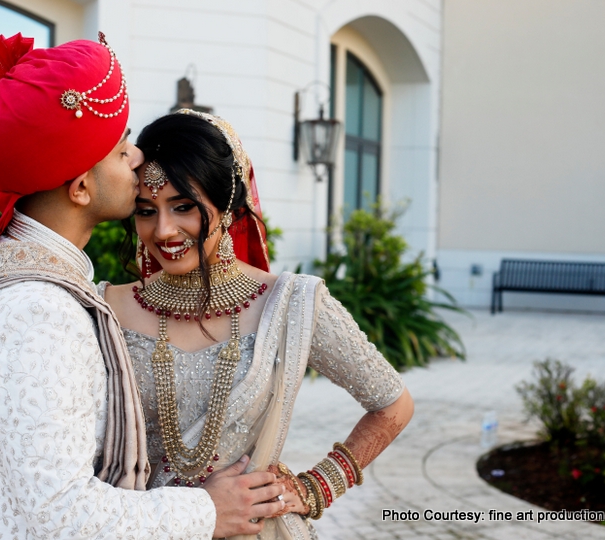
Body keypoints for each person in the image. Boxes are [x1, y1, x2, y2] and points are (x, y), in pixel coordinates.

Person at [0, 34, 286, 540]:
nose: (136, 158)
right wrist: (206, 511)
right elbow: (61, 511)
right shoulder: (36, 312)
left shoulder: (37, 285)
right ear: (82, 187)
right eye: (119, 148)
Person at [101, 110, 415, 539]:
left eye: (183, 207)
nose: (164, 230)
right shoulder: (106, 307)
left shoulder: (289, 303)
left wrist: (318, 485)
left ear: (227, 206)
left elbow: (392, 404)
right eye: (145, 210)